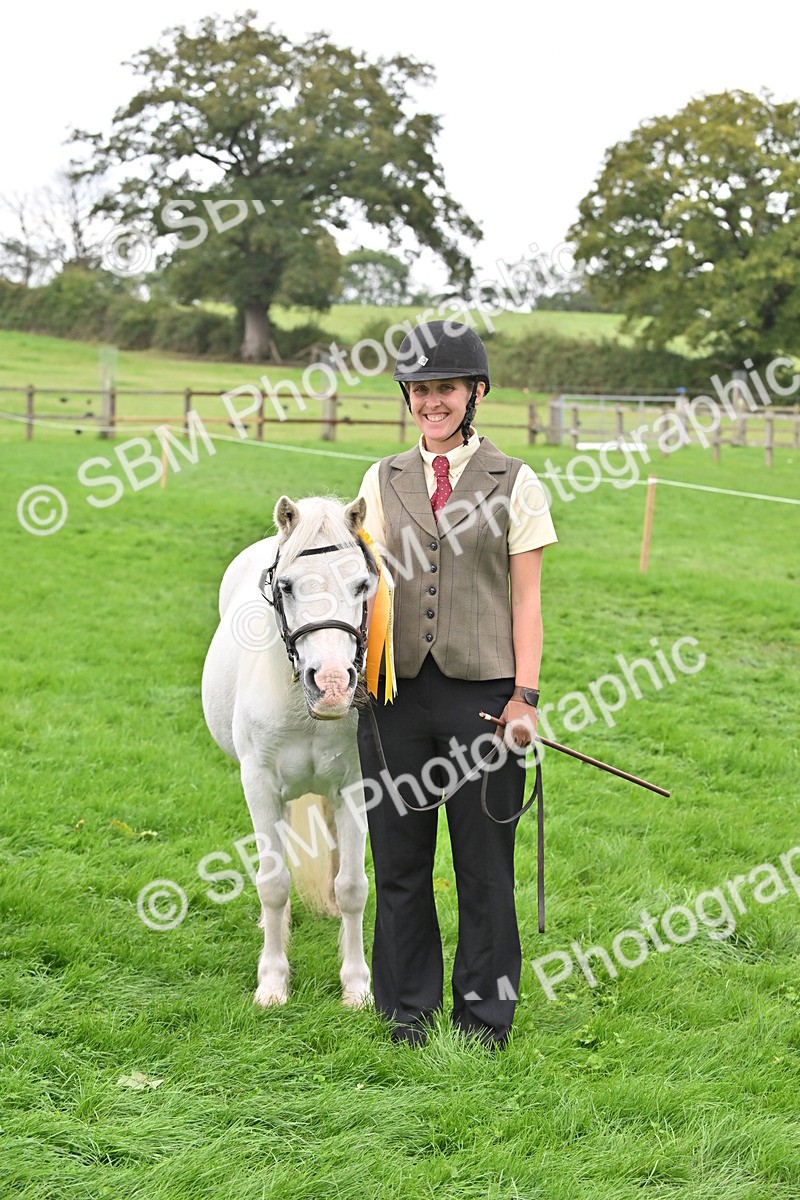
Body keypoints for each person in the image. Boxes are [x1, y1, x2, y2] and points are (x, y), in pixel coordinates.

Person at [355, 320, 557, 1049]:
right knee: (400, 863)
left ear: (475, 394)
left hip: (483, 698)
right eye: (420, 390)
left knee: (483, 868)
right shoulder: (380, 479)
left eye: (444, 388)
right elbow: (365, 583)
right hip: (395, 698)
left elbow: (527, 599)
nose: (431, 403)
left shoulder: (515, 481)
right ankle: (406, 1011)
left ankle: (484, 1018)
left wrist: (524, 698)